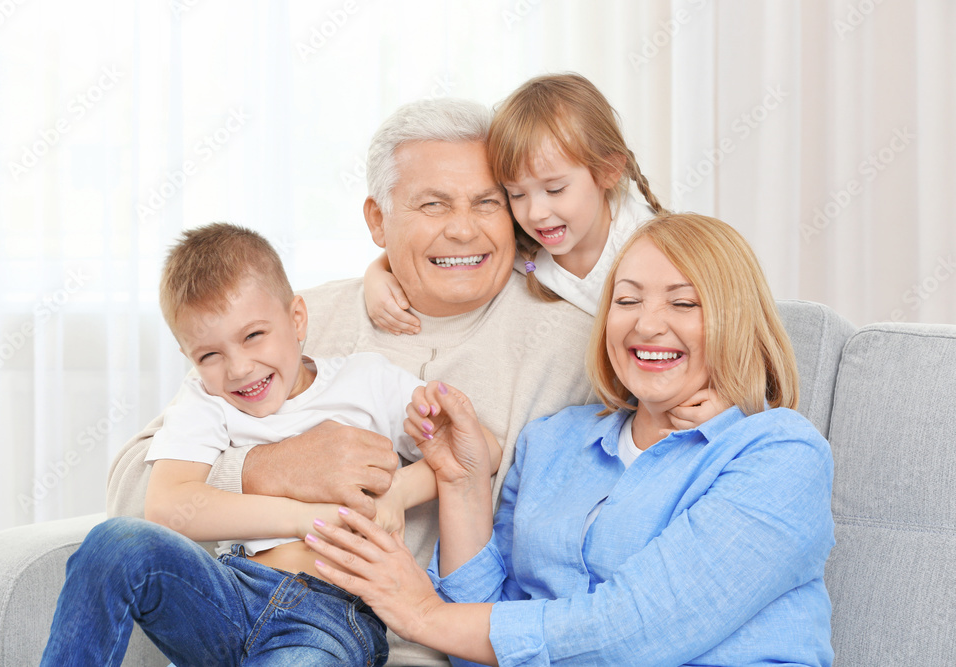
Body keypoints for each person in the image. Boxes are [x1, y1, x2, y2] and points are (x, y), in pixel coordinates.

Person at [104, 98, 598, 666]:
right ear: (377, 220)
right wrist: (267, 468)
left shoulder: (576, 346)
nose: (463, 229)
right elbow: (131, 491)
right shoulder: (287, 321)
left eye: (486, 202)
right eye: (433, 204)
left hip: (436, 646)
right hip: (256, 619)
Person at [307, 212, 836, 666]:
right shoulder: (554, 442)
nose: (646, 325)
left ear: (735, 321)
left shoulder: (779, 452)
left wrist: (425, 614)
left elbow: (634, 633)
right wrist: (463, 481)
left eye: (684, 303)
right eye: (627, 301)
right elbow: (481, 646)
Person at [41, 223, 501, 665]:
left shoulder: (367, 381)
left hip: (326, 618)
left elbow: (479, 447)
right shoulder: (206, 399)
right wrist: (308, 518)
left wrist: (397, 492)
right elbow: (167, 506)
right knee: (115, 542)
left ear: (297, 318)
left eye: (253, 335)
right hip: (228, 592)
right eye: (210, 355)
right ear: (189, 357)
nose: (239, 368)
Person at [364, 72, 665, 333]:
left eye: (556, 189)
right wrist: (377, 276)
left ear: (608, 171)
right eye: (516, 194)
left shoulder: (654, 246)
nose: (535, 213)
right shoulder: (528, 247)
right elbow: (441, 252)